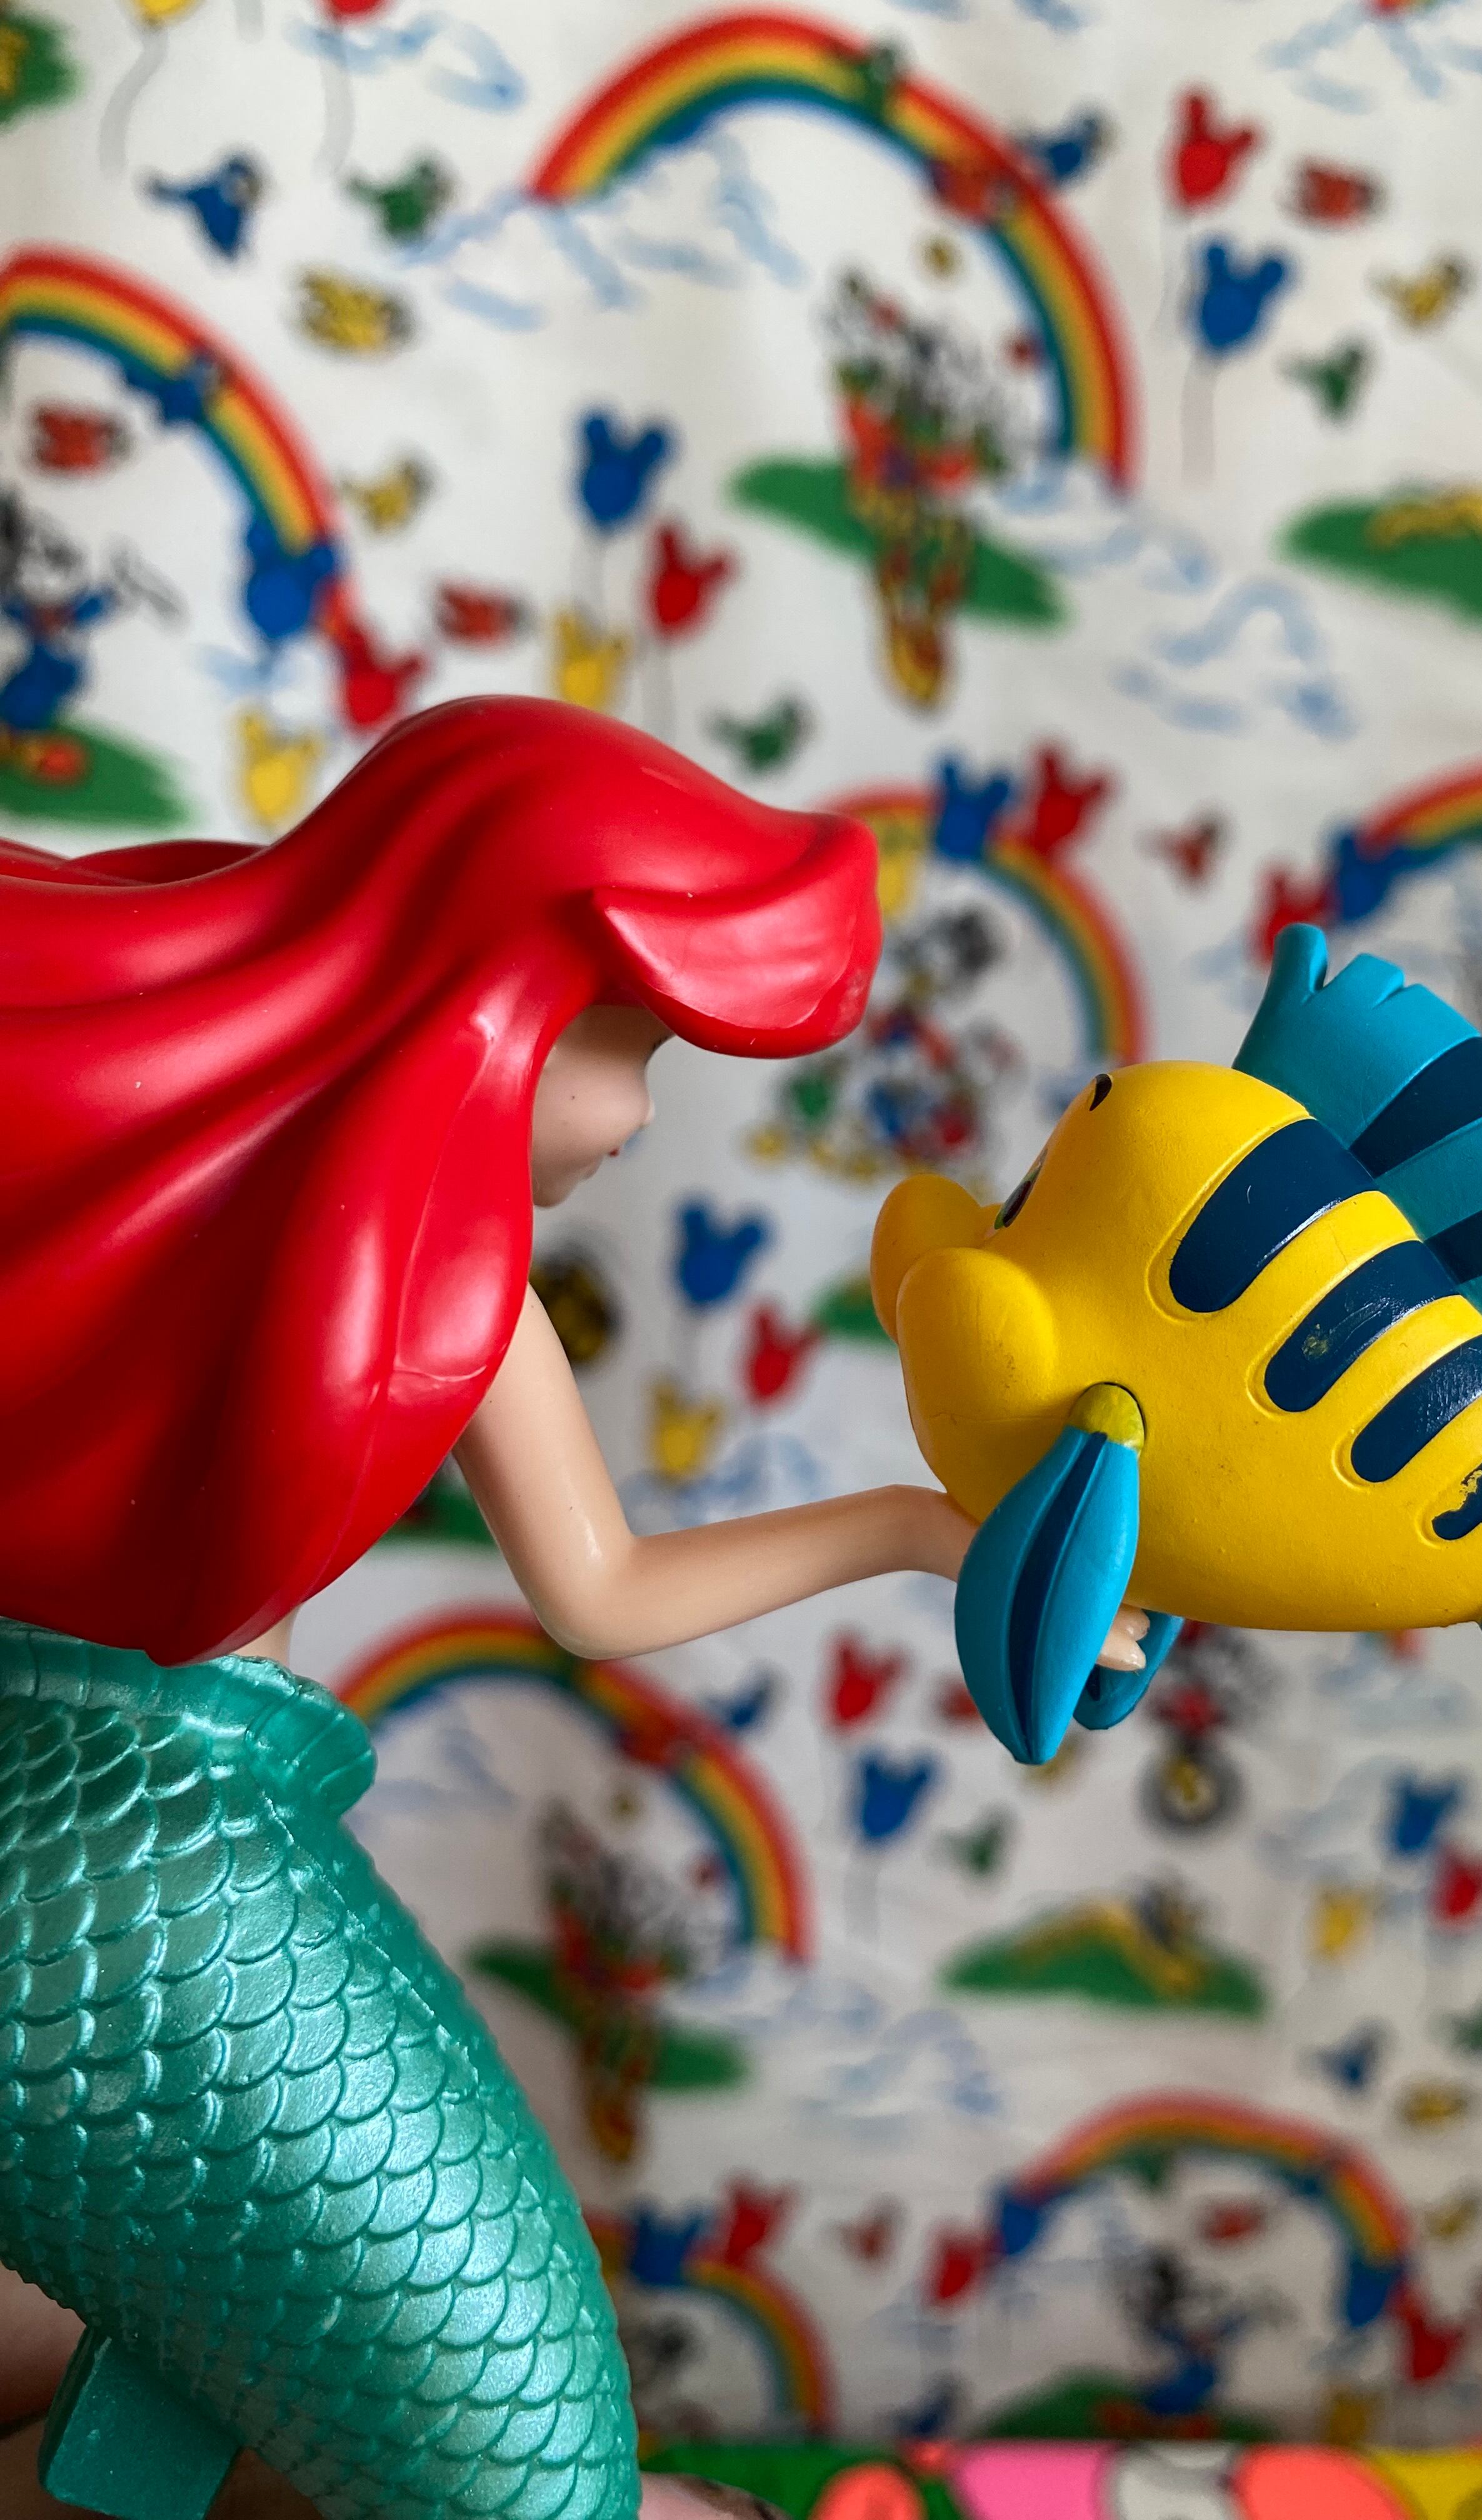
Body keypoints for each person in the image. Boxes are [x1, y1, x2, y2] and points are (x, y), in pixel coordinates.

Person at [0, 696, 1144, 2520]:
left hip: (133, 1852)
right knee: (522, 2458)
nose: (643, 1112)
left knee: (203, 2380)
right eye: (634, 1046)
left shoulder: (382, 1260)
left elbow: (602, 1589)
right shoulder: (358, 1255)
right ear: (499, 1004)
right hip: (137, 1892)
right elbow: (600, 1601)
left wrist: (917, 1533)